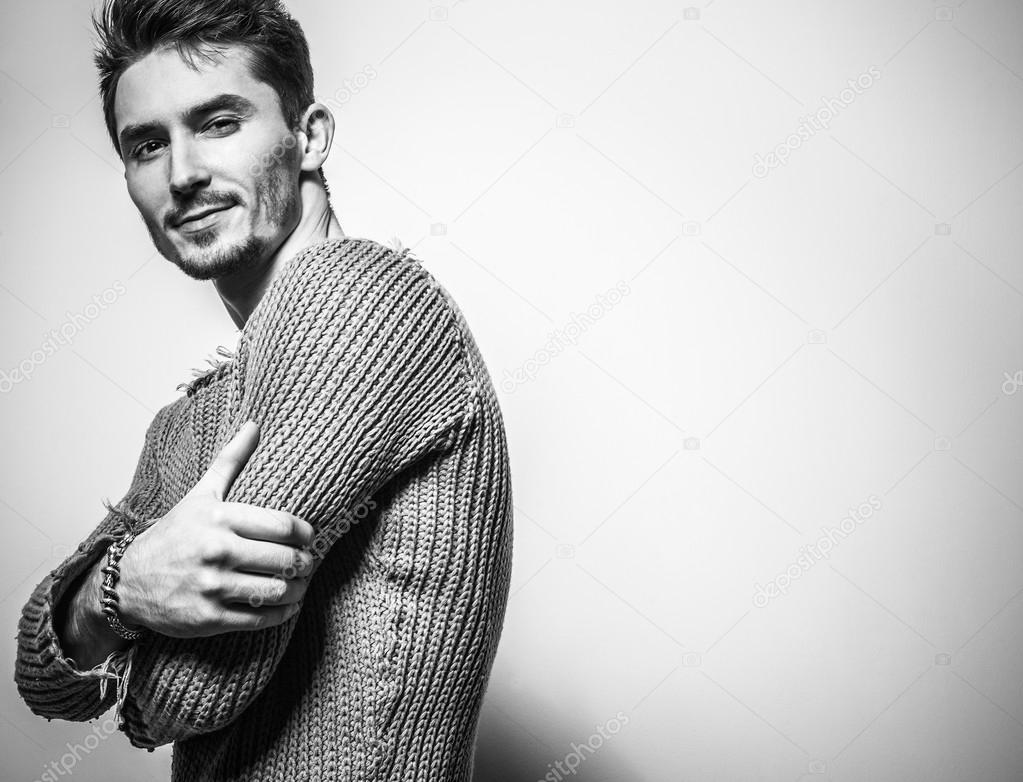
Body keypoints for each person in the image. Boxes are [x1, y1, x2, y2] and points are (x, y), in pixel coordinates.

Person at [13, 1, 514, 780]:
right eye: (148, 145)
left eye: (217, 122)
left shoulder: (363, 300)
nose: (182, 174)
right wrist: (128, 589)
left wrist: (113, 616)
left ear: (308, 136)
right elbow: (42, 676)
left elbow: (191, 695)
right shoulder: (186, 419)